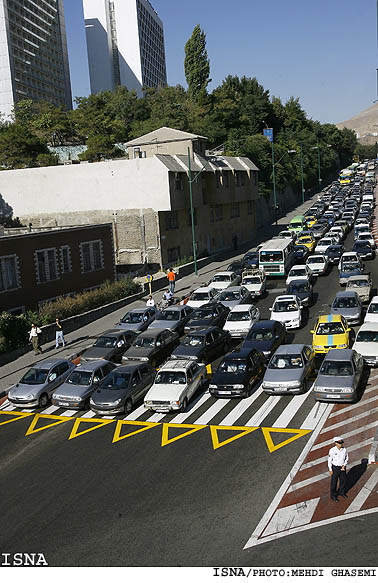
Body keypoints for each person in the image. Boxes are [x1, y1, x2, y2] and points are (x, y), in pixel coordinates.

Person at [328, 436, 349, 502]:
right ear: (335, 443)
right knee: (334, 482)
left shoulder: (344, 450)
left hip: (342, 468)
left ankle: (341, 492)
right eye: (339, 443)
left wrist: (344, 465)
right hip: (335, 468)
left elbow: (347, 458)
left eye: (341, 443)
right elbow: (329, 460)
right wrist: (330, 469)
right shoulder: (332, 450)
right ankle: (333, 495)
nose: (341, 444)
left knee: (343, 481)